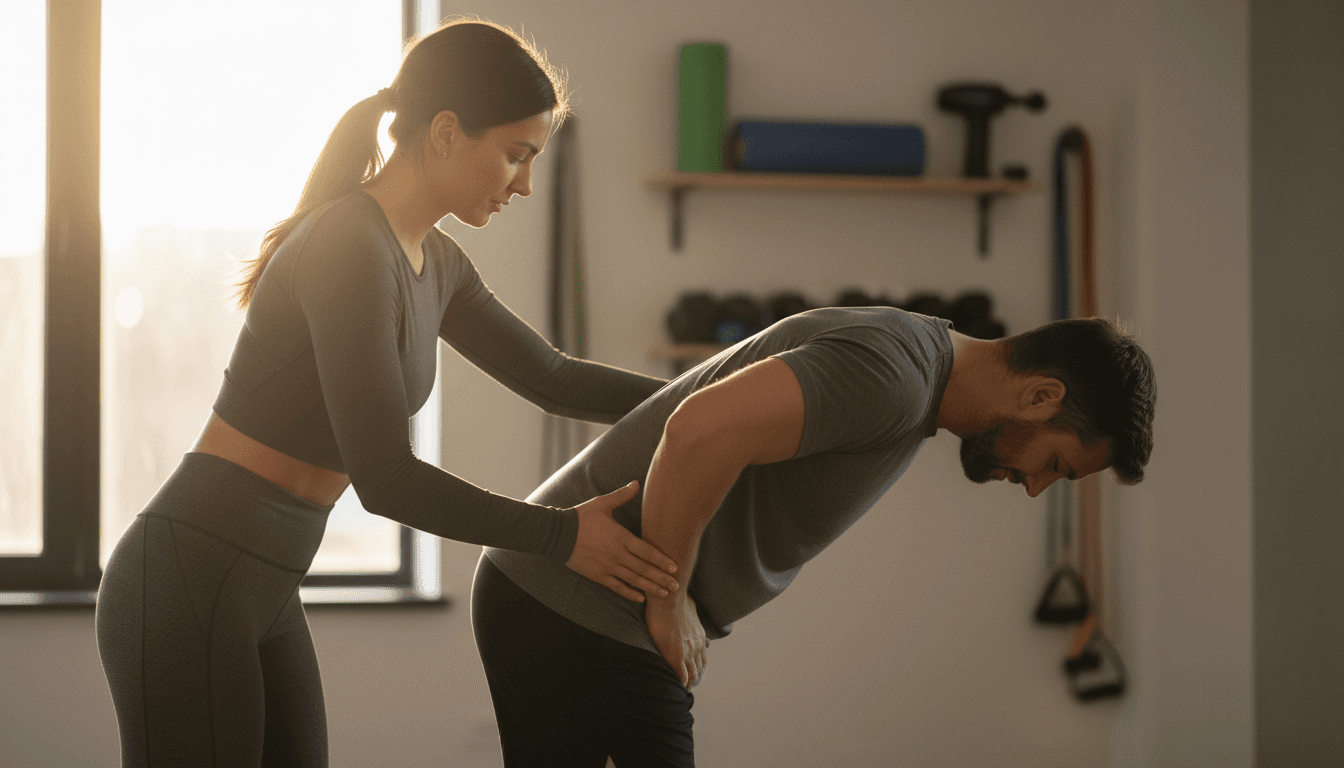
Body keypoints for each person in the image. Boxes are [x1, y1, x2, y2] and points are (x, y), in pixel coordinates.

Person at [95, 20, 681, 768]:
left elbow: (553, 377)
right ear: (445, 133)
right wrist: (563, 535)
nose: (524, 184)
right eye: (514, 156)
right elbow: (385, 478)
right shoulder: (348, 246)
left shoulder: (436, 261)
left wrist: (707, 396)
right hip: (189, 575)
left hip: (264, 586)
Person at [472, 306, 1156, 766]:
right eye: (1057, 467)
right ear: (1040, 398)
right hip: (585, 604)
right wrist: (668, 595)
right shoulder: (894, 378)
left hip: (554, 595)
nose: (1035, 486)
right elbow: (697, 431)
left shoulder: (910, 368)